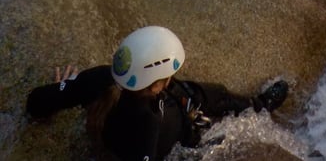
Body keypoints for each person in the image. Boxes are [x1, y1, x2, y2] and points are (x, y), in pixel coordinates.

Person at [25, 25, 289, 161]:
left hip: (122, 133)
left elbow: (35, 102)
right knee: (211, 95)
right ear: (155, 86)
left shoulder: (98, 78)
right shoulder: (151, 121)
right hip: (177, 135)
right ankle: (260, 105)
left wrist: (66, 87)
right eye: (167, 78)